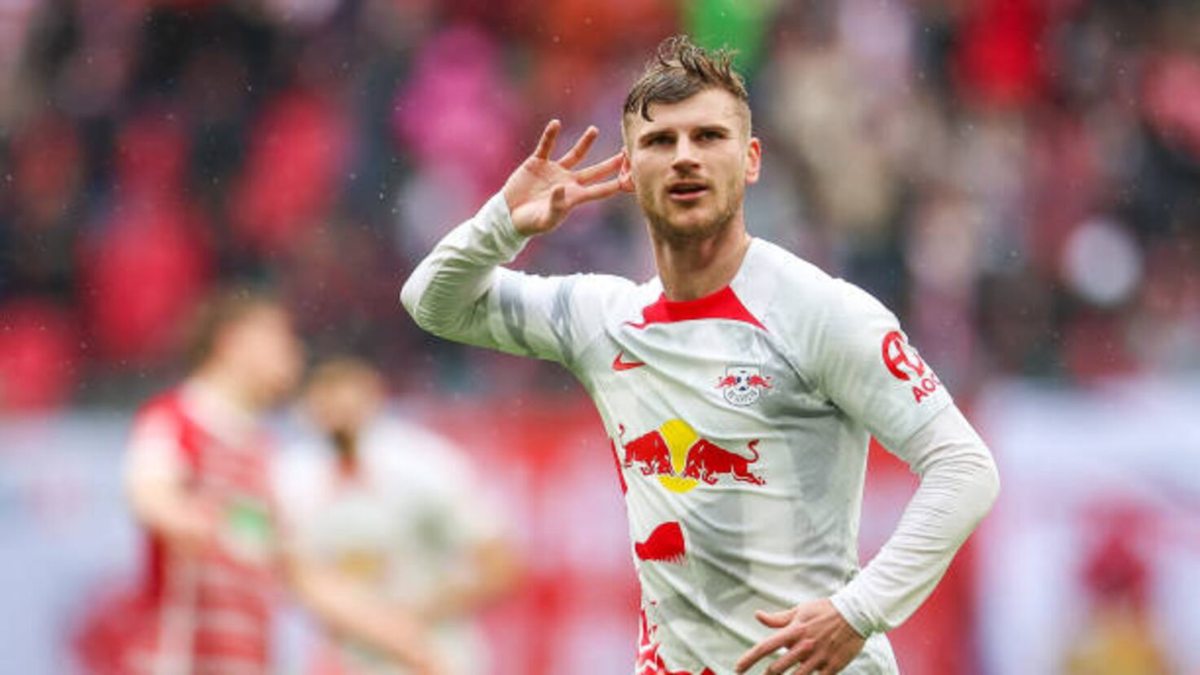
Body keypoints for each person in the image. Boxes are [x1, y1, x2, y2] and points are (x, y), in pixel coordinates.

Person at [400, 35, 1000, 675]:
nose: (685, 157)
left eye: (708, 137)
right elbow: (432, 301)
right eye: (661, 142)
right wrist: (503, 221)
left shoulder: (819, 311)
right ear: (628, 170)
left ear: (751, 160)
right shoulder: (603, 320)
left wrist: (859, 611)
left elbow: (965, 468)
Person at [274, 357, 521, 675]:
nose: (337, 415)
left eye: (347, 403)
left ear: (375, 399)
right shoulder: (293, 476)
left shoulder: (423, 465)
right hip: (346, 662)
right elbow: (291, 574)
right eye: (327, 403)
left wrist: (416, 614)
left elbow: (500, 563)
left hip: (432, 655)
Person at [121, 289, 303, 674]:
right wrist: (195, 521)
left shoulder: (264, 450)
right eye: (279, 337)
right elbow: (150, 497)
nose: (294, 353)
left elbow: (297, 571)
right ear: (232, 342)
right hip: (182, 660)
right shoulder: (175, 419)